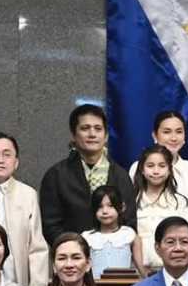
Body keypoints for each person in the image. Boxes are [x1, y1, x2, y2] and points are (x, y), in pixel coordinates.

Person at [129, 111, 188, 276]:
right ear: (155, 135)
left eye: (179, 131)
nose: (173, 138)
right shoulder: (137, 168)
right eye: (167, 132)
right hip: (146, 259)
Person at [40, 104, 136, 246]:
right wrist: (76, 251)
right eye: (85, 128)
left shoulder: (121, 176)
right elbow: (51, 226)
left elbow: (129, 223)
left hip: (114, 259)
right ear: (73, 135)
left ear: (106, 136)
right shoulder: (56, 175)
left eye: (98, 129)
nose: (92, 134)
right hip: (72, 261)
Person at [0, 132, 50, 286]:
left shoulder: (28, 194)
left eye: (7, 155)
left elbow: (36, 246)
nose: (0, 160)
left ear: (16, 163)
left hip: (16, 283)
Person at [133, 145, 188, 273]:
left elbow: (187, 235)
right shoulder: (132, 202)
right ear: (142, 169)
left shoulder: (179, 202)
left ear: (170, 170)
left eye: (162, 166)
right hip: (139, 271)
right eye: (150, 166)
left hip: (173, 270)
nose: (156, 171)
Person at [82, 185, 145, 279]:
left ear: (122, 207)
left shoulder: (129, 234)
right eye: (99, 207)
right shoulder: (86, 237)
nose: (104, 211)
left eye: (110, 206)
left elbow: (140, 267)